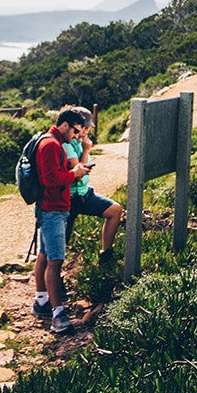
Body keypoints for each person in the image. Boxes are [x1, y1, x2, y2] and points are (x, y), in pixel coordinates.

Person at [31, 109, 92, 334]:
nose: (76, 135)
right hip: (53, 210)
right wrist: (74, 174)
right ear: (64, 125)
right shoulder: (52, 145)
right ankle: (58, 316)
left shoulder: (50, 141)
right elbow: (49, 179)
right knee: (55, 261)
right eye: (75, 131)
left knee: (45, 255)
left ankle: (41, 301)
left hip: (51, 208)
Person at [61, 106, 123, 266]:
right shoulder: (67, 144)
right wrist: (86, 150)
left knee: (115, 210)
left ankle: (106, 255)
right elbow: (79, 171)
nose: (87, 130)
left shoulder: (78, 143)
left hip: (84, 194)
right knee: (61, 243)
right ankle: (55, 278)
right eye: (85, 127)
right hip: (70, 198)